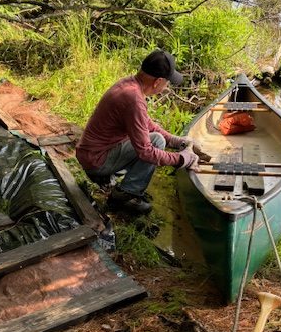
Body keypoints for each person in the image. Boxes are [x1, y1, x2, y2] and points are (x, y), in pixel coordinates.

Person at [76, 49, 210, 214]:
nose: (166, 86)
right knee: (156, 142)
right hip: (96, 160)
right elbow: (146, 152)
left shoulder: (129, 85)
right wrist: (183, 159)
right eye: (167, 82)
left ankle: (112, 180)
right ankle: (124, 195)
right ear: (158, 82)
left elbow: (146, 124)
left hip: (93, 153)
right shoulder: (133, 99)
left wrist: (179, 141)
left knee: (158, 138)